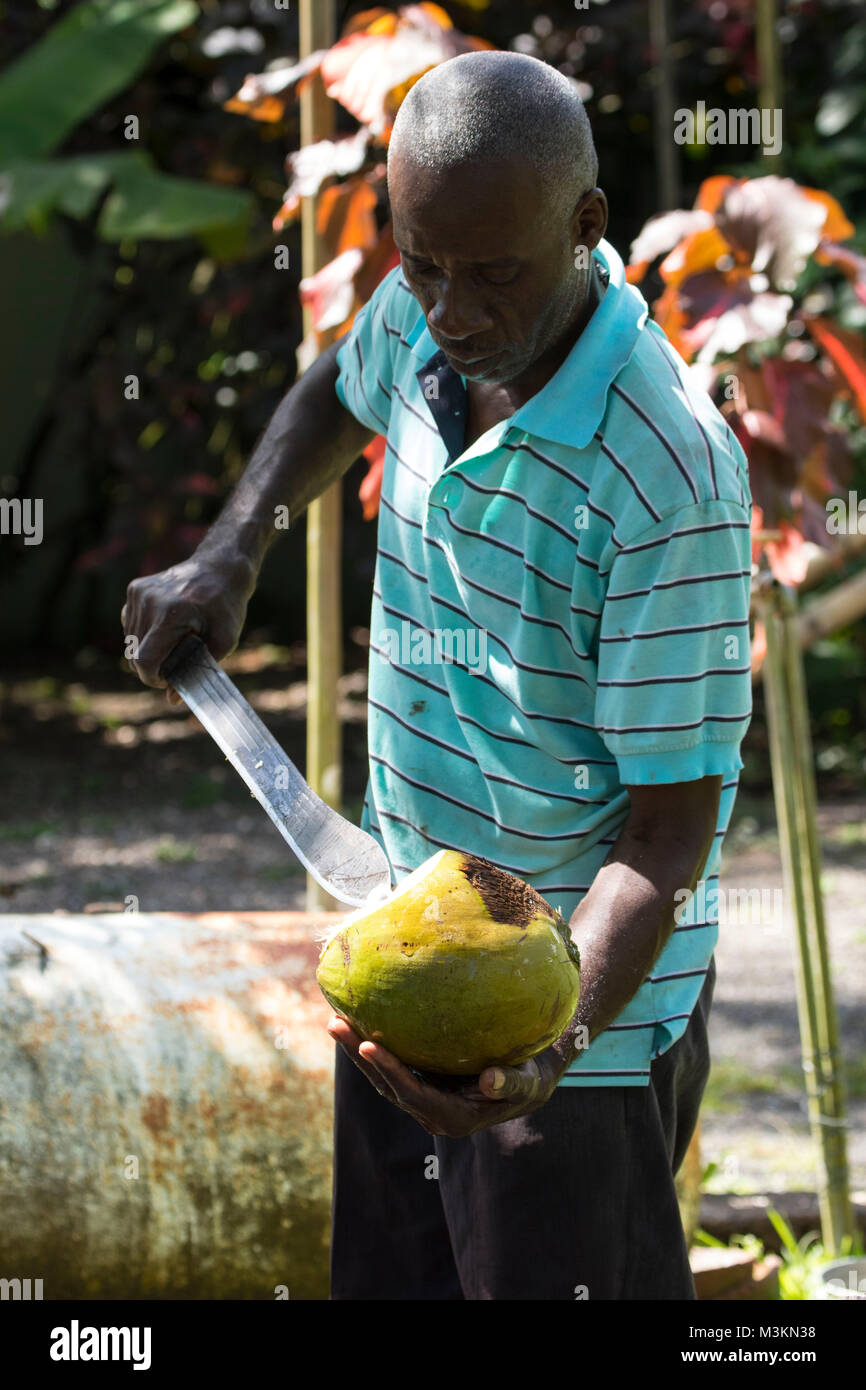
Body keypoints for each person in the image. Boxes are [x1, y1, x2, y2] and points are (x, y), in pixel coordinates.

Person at [122, 50, 753, 1300]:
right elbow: (329, 387)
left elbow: (668, 828)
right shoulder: (424, 308)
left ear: (584, 227)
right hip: (400, 964)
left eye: (491, 275)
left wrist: (548, 1048)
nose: (450, 312)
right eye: (422, 263)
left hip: (580, 1040)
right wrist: (231, 548)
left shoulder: (667, 473)